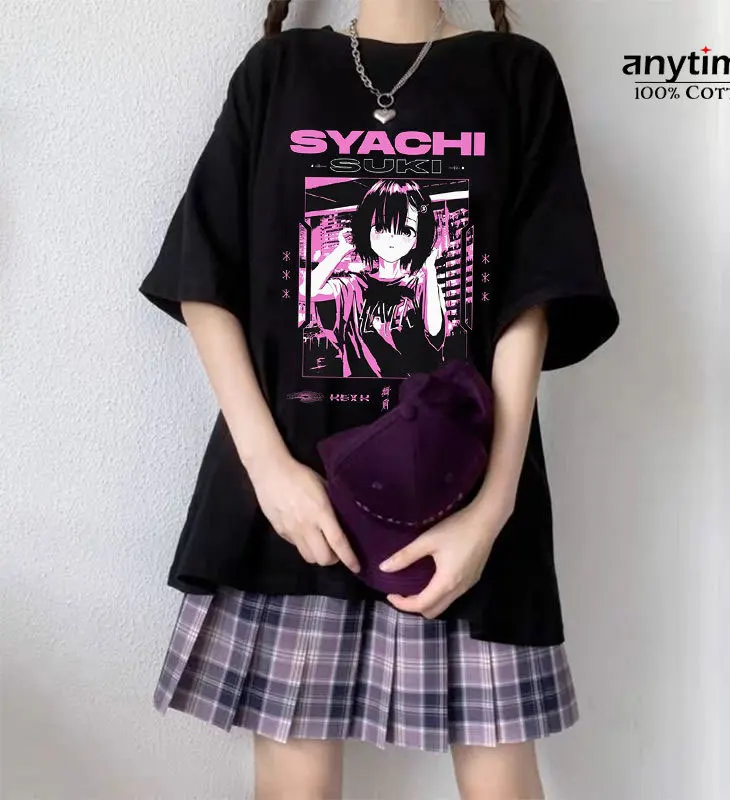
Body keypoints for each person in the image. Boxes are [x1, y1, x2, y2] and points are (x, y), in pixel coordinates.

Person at [138, 1, 621, 798]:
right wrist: (269, 473)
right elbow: (203, 275)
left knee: (501, 775)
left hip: (460, 497)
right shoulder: (279, 72)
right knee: (295, 779)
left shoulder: (516, 73)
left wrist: (493, 509)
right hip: (299, 505)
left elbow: (530, 302)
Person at [309, 179, 449, 378]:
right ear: (367, 229)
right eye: (381, 227)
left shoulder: (421, 285)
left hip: (412, 391)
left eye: (405, 230)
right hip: (362, 389)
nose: (392, 239)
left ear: (417, 239)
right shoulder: (354, 285)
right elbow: (307, 291)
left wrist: (430, 270)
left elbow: (435, 332)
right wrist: (341, 250)